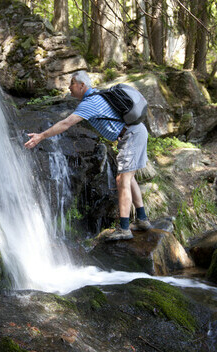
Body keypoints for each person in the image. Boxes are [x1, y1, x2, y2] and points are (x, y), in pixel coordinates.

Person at [24, 71, 151, 240]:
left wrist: (41, 136)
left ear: (82, 85)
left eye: (72, 83)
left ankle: (124, 228)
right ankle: (142, 219)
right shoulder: (97, 96)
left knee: (122, 180)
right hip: (134, 133)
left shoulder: (90, 103)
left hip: (132, 135)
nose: (69, 87)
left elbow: (66, 123)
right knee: (129, 178)